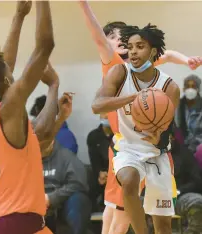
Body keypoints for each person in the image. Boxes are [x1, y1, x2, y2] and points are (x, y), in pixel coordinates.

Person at [78, 1, 202, 233]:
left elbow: (167, 54)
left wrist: (187, 61)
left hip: (148, 146)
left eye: (134, 43)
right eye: (120, 40)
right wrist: (83, 5)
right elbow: (97, 36)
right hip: (124, 145)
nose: (128, 46)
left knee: (116, 210)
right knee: (120, 209)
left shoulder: (145, 66)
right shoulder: (113, 63)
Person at [92, 23, 180, 234]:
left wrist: (159, 136)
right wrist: (134, 98)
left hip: (157, 153)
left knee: (164, 227)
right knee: (129, 180)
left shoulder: (169, 86)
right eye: (130, 47)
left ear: (152, 51)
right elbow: (97, 105)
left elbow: (169, 130)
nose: (133, 51)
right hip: (128, 149)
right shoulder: (119, 73)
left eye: (139, 46)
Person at [0, 1, 58, 233]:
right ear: (6, 83)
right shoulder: (8, 111)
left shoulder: (3, 111)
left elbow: (5, 64)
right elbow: (45, 46)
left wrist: (19, 16)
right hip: (19, 226)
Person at [42, 94, 91, 234]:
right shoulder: (26, 158)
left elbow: (78, 184)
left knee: (78, 200)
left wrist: (52, 198)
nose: (43, 143)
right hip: (34, 201)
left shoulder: (65, 155)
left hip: (60, 200)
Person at [171, 128, 202, 234]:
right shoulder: (145, 155)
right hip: (151, 198)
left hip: (179, 196)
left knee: (197, 201)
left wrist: (179, 191)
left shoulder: (183, 154)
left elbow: (197, 181)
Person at [87, 114, 113, 212]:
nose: (106, 116)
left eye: (109, 113)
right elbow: (94, 160)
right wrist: (100, 173)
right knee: (92, 185)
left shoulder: (121, 135)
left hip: (116, 173)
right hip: (99, 173)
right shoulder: (93, 136)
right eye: (104, 112)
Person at [176, 74, 202, 153]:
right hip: (181, 148)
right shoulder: (177, 106)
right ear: (184, 88)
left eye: (193, 86)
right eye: (188, 86)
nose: (190, 89)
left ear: (198, 89)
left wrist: (192, 147)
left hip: (198, 149)